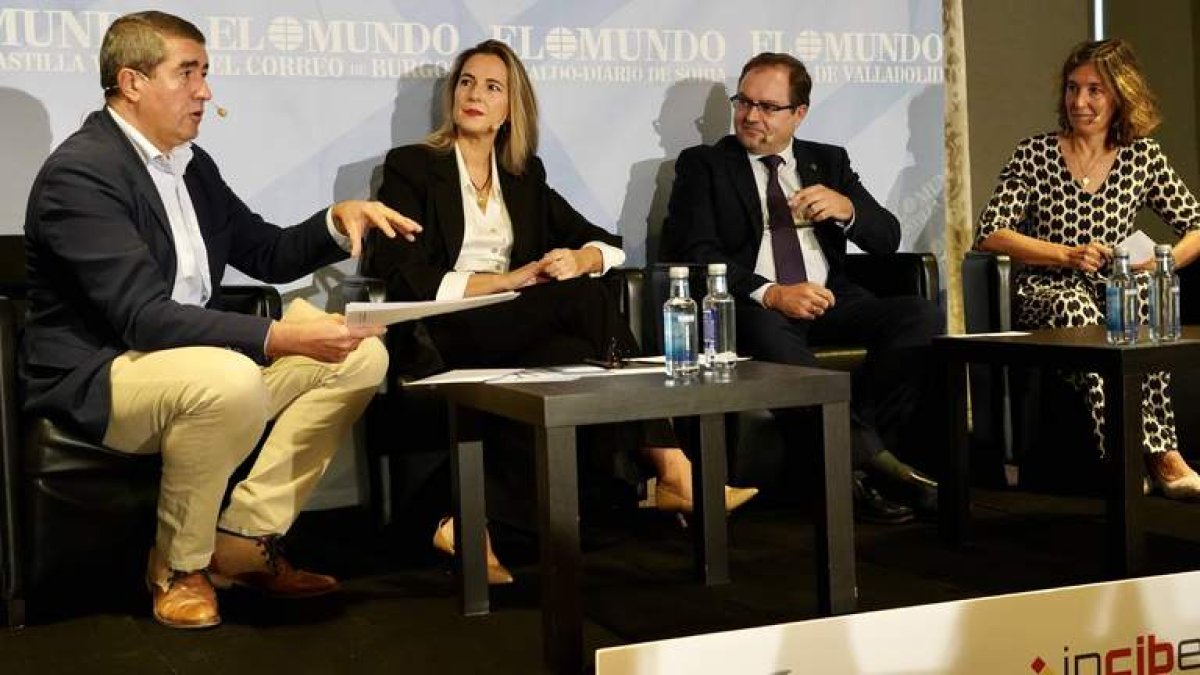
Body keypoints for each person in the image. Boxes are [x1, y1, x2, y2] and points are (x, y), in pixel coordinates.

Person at [20, 11, 421, 629]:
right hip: (101, 376)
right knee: (227, 378)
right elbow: (144, 319)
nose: (205, 90)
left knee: (361, 356)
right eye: (188, 73)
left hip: (188, 367)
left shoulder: (191, 164)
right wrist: (281, 336)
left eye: (204, 73)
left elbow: (264, 252)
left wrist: (336, 222)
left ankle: (242, 538)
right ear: (131, 82)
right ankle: (179, 566)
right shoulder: (82, 173)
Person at [363, 39, 756, 582]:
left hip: (512, 326)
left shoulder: (524, 175)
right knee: (577, 295)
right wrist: (505, 280)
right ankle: (670, 464)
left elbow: (604, 242)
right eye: (467, 82)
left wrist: (583, 255)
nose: (474, 94)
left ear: (511, 108)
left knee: (574, 349)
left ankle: (465, 522)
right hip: (444, 326)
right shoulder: (412, 166)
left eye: (492, 87)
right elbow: (397, 264)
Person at [661, 52, 943, 524]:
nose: (751, 116)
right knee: (765, 329)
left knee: (921, 317)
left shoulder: (827, 161)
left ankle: (859, 460)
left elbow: (886, 238)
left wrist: (846, 208)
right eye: (744, 102)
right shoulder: (705, 165)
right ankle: (869, 472)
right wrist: (771, 292)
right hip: (754, 306)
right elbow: (695, 250)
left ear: (799, 113)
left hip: (831, 298)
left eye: (768, 107)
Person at [975, 38, 1200, 498]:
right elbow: (991, 232)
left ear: (1120, 94)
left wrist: (1163, 263)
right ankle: (1151, 455)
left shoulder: (1142, 157)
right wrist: (1067, 254)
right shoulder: (1034, 153)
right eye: (1073, 89)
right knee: (1082, 315)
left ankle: (1135, 457)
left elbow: (1197, 224)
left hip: (1112, 290)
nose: (1080, 101)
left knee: (1136, 317)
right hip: (1046, 292)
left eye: (1094, 90)